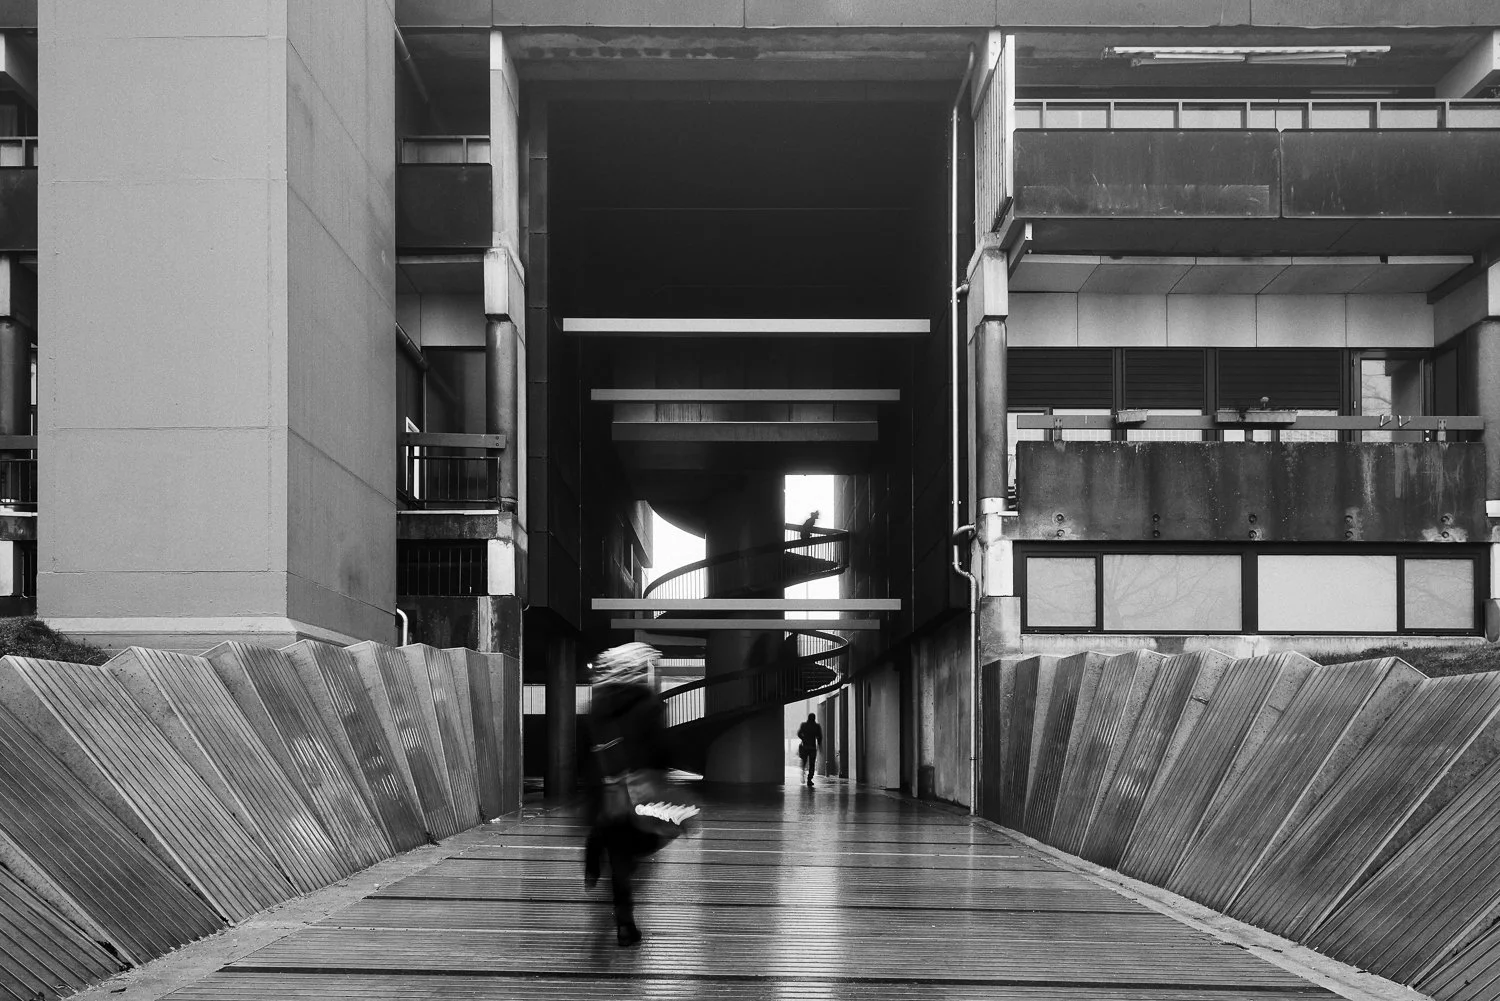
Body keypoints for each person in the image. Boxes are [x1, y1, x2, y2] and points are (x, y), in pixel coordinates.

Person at [581, 642, 672, 947]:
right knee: (635, 848)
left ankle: (623, 919)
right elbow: (661, 751)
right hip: (640, 793)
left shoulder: (597, 705)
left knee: (617, 853)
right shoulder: (648, 704)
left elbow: (582, 753)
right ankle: (625, 923)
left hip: (607, 795)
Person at [797, 712, 823, 786]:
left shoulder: (804, 725)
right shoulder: (816, 726)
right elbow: (819, 737)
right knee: (812, 764)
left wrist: (803, 738)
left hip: (805, 747)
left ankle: (803, 771)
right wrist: (819, 745)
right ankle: (809, 779)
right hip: (812, 748)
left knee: (804, 762)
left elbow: (799, 733)